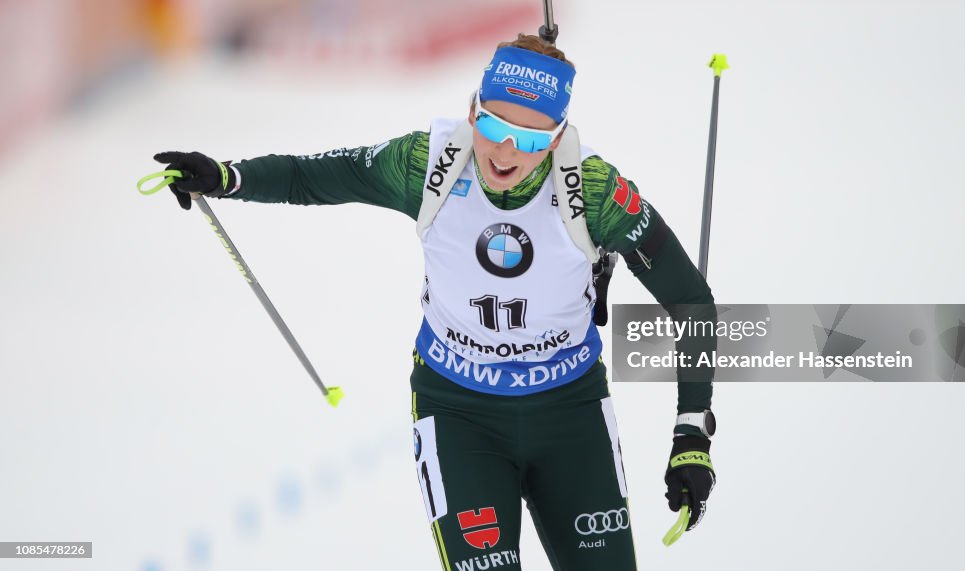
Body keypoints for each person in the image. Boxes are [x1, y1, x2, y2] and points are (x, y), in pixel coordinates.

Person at [153, 34, 717, 571]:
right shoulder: (428, 165)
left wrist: (692, 434)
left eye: (530, 139)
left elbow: (690, 301)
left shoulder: (594, 192)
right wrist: (228, 177)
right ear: (473, 110)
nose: (504, 151)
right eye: (494, 125)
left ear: (557, 136)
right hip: (459, 414)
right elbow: (315, 176)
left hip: (570, 412)